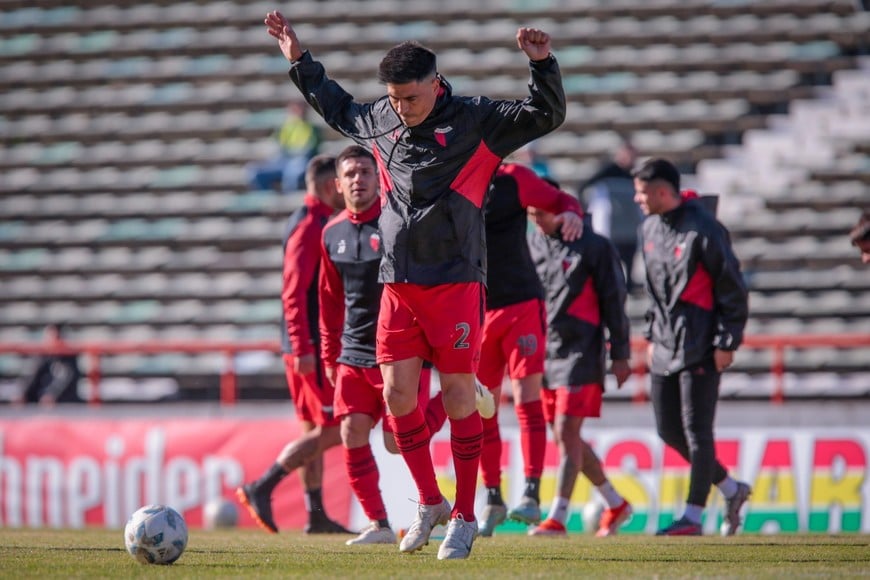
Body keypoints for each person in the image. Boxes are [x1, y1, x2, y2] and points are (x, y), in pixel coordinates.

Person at [264, 9, 566, 559]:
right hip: (397, 284)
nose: (401, 108)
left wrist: (542, 64)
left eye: (411, 97)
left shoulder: (477, 119)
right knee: (397, 396)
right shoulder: (381, 117)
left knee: (455, 398)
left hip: (454, 281)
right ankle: (429, 501)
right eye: (395, 98)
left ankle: (465, 515)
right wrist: (300, 62)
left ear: (435, 82)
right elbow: (335, 105)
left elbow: (546, 115)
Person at [423, 163, 583, 537]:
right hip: (477, 308)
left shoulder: (513, 178)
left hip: (523, 303)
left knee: (528, 395)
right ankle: (493, 496)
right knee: (484, 406)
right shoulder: (451, 178)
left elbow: (560, 198)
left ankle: (530, 491)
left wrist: (572, 212)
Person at [632, 158, 751, 536]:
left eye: (641, 192)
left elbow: (732, 286)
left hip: (702, 342)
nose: (637, 199)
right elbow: (653, 291)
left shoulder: (704, 228)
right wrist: (651, 335)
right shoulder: (649, 228)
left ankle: (694, 517)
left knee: (698, 430)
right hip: (664, 346)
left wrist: (727, 340)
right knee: (668, 431)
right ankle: (732, 489)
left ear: (662, 192)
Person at [236, 154, 352, 536]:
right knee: (338, 428)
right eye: (339, 182)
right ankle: (263, 486)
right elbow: (294, 292)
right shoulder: (309, 225)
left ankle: (314, 515)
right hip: (311, 347)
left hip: (307, 345)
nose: (345, 189)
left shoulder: (314, 220)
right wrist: (303, 345)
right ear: (324, 186)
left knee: (312, 430)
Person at [525, 202, 633, 537]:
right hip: (546, 351)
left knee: (567, 430)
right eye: (532, 216)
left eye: (541, 214)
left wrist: (620, 353)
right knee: (562, 435)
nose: (537, 222)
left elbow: (614, 299)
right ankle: (615, 504)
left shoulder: (595, 246)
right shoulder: (535, 243)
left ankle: (557, 517)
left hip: (582, 350)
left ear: (560, 210)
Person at [318, 145, 401, 546]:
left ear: (377, 177)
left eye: (365, 171)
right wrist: (329, 355)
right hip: (351, 352)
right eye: (350, 173)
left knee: (395, 441)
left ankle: (456, 400)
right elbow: (330, 300)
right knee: (352, 433)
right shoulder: (330, 233)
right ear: (338, 184)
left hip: (398, 349)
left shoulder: (394, 222)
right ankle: (379, 524)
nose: (358, 179)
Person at [576, 138, 643, 291]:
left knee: (630, 259)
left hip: (631, 226)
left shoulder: (636, 174)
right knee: (613, 261)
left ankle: (630, 287)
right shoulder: (608, 171)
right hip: (612, 227)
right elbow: (584, 188)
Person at [247, 101, 321, 193]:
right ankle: (268, 200)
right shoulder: (284, 127)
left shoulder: (311, 128)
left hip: (299, 162)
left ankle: (289, 199)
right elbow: (276, 146)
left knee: (293, 172)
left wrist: (290, 153)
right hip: (282, 162)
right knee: (255, 172)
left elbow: (309, 151)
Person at [14, 323, 82, 406]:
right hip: (40, 403)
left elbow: (66, 378)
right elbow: (33, 376)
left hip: (63, 404)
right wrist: (23, 393)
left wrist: (51, 395)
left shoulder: (69, 357)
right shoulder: (43, 356)